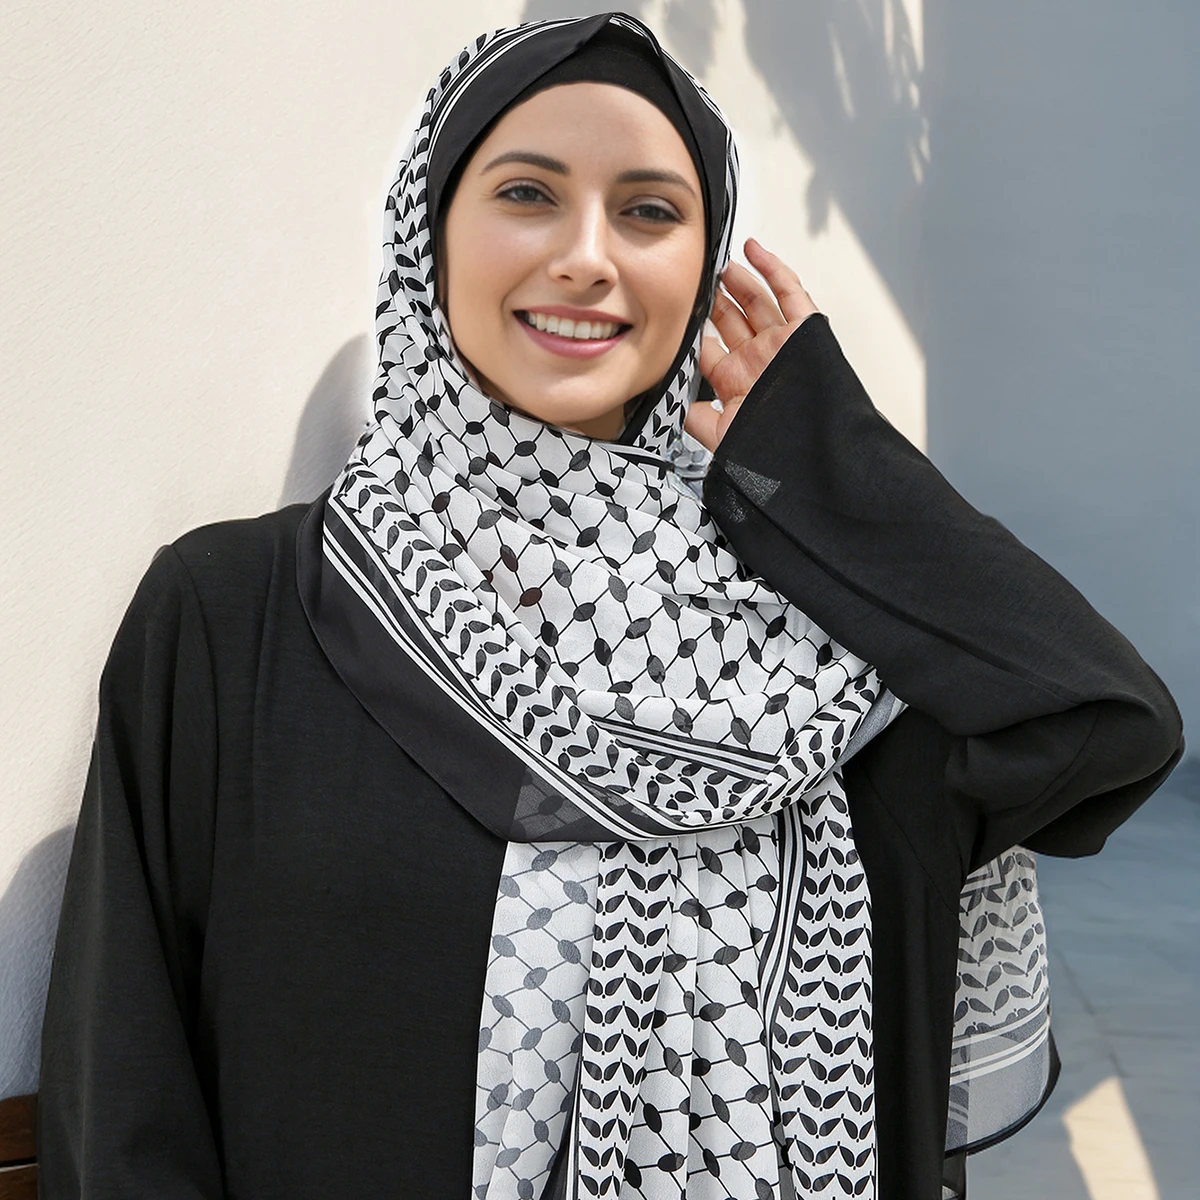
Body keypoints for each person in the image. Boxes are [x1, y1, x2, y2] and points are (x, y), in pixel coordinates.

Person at [37, 12, 1183, 1200]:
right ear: (428, 233)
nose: (588, 257)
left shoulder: (815, 655)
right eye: (527, 194)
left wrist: (828, 458)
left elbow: (1106, 725)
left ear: (706, 264)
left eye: (648, 212)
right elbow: (123, 1099)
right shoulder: (238, 618)